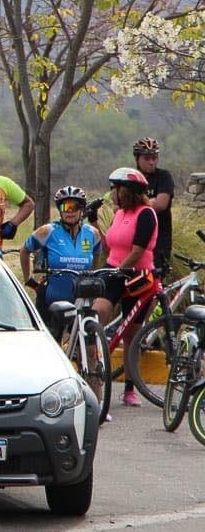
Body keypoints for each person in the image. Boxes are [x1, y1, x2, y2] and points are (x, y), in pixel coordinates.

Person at [90, 167, 158, 408]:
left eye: (115, 189)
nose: (112, 194)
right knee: (98, 311)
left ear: (127, 191)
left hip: (137, 275)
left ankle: (130, 389)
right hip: (115, 270)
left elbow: (138, 250)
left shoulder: (146, 214)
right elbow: (110, 245)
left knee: (132, 334)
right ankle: (93, 361)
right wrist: (94, 222)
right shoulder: (120, 214)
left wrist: (121, 270)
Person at [19, 186, 102, 335]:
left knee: (88, 342)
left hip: (82, 298)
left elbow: (97, 254)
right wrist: (28, 279)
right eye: (65, 206)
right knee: (50, 342)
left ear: (82, 209)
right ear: (60, 209)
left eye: (74, 206)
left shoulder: (92, 233)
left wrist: (92, 274)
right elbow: (24, 250)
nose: (69, 211)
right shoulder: (48, 231)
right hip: (52, 298)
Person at [132, 137, 175, 273]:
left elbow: (161, 204)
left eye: (154, 158)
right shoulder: (131, 177)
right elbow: (117, 207)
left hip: (160, 239)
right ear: (137, 158)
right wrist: (149, 202)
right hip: (134, 238)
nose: (151, 162)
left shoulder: (163, 176)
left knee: (155, 280)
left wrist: (133, 205)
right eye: (147, 158)